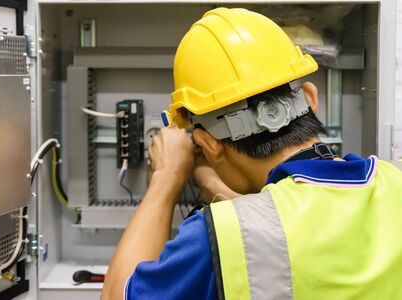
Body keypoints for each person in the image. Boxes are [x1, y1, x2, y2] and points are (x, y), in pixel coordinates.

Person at [101, 8, 402, 300]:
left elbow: (117, 295)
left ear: (209, 143)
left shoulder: (219, 236)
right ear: (310, 99)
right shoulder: (393, 185)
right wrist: (217, 187)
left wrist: (167, 177)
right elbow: (307, 217)